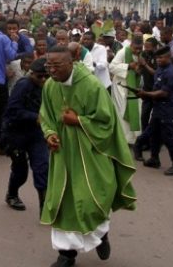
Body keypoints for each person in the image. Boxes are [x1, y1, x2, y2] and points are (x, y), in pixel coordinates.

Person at [39, 46, 137, 267]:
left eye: (57, 66)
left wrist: (79, 121)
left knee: (91, 201)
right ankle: (66, 255)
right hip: (63, 154)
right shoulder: (49, 86)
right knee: (62, 202)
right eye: (48, 66)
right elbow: (45, 115)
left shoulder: (92, 86)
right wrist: (50, 134)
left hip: (90, 153)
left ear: (71, 63)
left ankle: (101, 235)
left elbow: (107, 122)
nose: (52, 71)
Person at [1, 58, 49, 212]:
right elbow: (13, 111)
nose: (43, 79)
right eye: (39, 76)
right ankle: (12, 194)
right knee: (20, 171)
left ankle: (45, 207)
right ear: (32, 73)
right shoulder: (23, 86)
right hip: (16, 133)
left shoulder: (49, 86)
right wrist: (35, 117)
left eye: (46, 76)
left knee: (42, 167)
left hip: (36, 133)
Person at [134, 46, 173, 175]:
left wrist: (146, 94)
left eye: (161, 57)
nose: (158, 60)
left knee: (168, 137)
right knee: (154, 134)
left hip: (168, 109)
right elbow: (155, 73)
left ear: (168, 57)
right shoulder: (162, 69)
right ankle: (154, 158)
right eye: (157, 58)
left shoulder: (170, 73)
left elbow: (163, 93)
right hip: (158, 108)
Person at [109, 35, 144, 144]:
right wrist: (128, 66)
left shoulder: (142, 53)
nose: (138, 50)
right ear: (131, 44)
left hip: (135, 86)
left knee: (137, 110)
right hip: (121, 86)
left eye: (140, 48)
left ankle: (135, 138)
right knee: (122, 111)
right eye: (135, 48)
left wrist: (139, 70)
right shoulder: (123, 52)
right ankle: (124, 139)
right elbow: (112, 67)